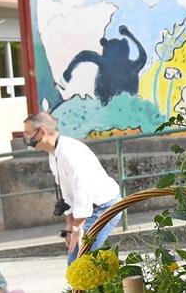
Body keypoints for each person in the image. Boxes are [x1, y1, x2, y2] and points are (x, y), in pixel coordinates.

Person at [22, 113, 124, 263]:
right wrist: (70, 226)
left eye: (28, 133)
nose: (25, 137)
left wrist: (77, 228)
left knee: (78, 262)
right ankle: (106, 284)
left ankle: (114, 283)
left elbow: (83, 191)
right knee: (81, 262)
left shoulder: (69, 152)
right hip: (91, 209)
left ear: (42, 131)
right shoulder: (54, 153)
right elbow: (67, 195)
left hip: (104, 206)